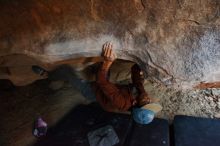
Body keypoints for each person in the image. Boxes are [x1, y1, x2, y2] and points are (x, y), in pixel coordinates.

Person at [32, 42, 162, 125]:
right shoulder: (141, 95)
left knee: (68, 72)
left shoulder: (121, 102)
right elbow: (137, 78)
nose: (149, 99)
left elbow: (101, 81)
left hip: (94, 93)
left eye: (146, 103)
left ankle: (47, 74)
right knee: (103, 72)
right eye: (150, 102)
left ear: (135, 103)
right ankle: (98, 70)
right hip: (111, 92)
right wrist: (142, 66)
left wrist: (107, 61)